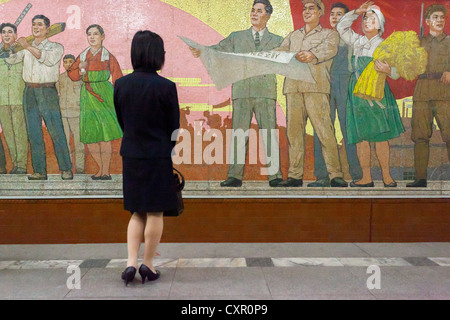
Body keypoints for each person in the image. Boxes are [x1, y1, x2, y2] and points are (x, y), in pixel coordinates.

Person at [190, 0, 284, 188]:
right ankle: (235, 176)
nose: (254, 14)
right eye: (252, 10)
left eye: (259, 11)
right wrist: (202, 50)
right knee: (239, 134)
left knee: (269, 134)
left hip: (265, 91)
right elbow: (218, 49)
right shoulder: (236, 37)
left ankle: (275, 176)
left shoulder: (278, 41)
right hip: (241, 90)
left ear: (268, 15)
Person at [114, 30, 180, 286]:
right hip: (158, 156)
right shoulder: (166, 87)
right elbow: (173, 127)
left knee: (136, 212)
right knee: (155, 213)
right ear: (157, 56)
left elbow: (122, 121)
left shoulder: (120, 84)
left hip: (131, 154)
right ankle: (148, 265)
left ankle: (130, 263)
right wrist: (166, 147)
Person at [276, 0, 348, 188]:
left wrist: (312, 55)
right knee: (294, 134)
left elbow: (330, 49)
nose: (307, 12)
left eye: (311, 8)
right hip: (293, 88)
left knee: (325, 132)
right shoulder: (293, 36)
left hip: (316, 88)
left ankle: (335, 175)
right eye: (305, 8)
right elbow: (280, 53)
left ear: (320, 12)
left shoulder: (329, 34)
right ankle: (294, 176)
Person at [337, 1, 405, 188]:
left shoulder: (384, 45)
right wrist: (356, 12)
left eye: (372, 19)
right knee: (361, 137)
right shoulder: (357, 41)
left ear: (380, 24)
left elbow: (398, 72)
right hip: (357, 93)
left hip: (377, 94)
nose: (367, 22)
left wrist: (388, 69)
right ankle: (366, 177)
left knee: (381, 137)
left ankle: (387, 176)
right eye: (365, 19)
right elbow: (341, 27)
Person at [6, 15, 73, 180]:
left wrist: (26, 46)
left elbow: (46, 59)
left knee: (56, 131)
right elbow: (12, 59)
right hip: (29, 92)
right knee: (34, 133)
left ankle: (65, 169)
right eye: (34, 24)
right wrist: (9, 45)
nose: (36, 27)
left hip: (47, 91)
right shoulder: (24, 47)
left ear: (48, 29)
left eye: (40, 25)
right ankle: (39, 171)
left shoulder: (55, 47)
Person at [309, 3, 362, 187]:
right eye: (332, 14)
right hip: (324, 86)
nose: (334, 17)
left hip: (346, 84)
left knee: (350, 131)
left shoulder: (352, 39)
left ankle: (358, 176)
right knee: (321, 130)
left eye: (340, 14)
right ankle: (322, 176)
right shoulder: (321, 37)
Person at [68, 24, 123, 180]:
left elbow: (118, 77)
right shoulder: (83, 55)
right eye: (89, 34)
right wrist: (80, 69)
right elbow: (72, 75)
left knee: (105, 135)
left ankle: (105, 171)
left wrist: (117, 99)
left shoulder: (108, 56)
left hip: (105, 96)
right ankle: (100, 168)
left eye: (95, 34)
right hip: (87, 95)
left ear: (102, 36)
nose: (92, 37)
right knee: (90, 136)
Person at [407, 4, 450, 188]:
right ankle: (420, 178)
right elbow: (409, 66)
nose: (439, 20)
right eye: (435, 17)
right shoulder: (419, 42)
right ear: (427, 21)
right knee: (420, 136)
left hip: (444, 93)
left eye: (442, 17)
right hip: (422, 92)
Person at [0, 23, 28, 175]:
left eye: (10, 32)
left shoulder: (22, 52)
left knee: (20, 133)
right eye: (4, 32)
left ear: (15, 35)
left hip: (19, 98)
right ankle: (15, 164)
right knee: (8, 134)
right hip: (2, 100)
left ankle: (22, 165)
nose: (6, 35)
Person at [56, 54, 85, 174]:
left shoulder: (81, 78)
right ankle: (68, 167)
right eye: (66, 62)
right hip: (63, 113)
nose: (68, 64)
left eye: (71, 62)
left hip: (77, 114)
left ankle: (80, 168)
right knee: (65, 143)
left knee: (79, 143)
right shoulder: (59, 78)